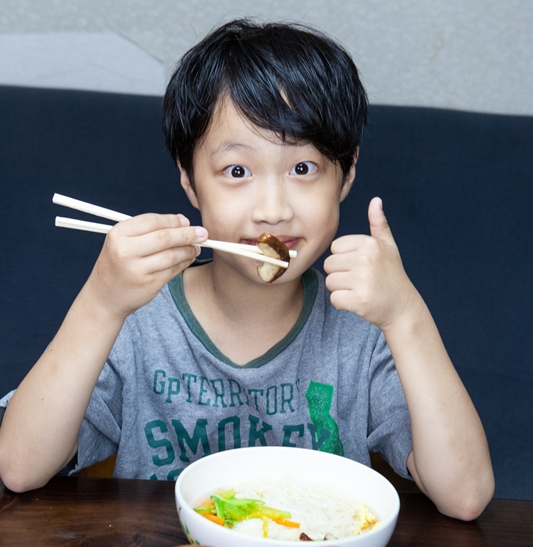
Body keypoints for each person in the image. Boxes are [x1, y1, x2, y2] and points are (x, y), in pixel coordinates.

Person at [0, 19, 494, 519]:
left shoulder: (365, 329)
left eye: (303, 168)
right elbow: (19, 466)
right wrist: (100, 303)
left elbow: (466, 494)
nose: (272, 211)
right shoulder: (137, 318)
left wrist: (406, 314)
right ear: (189, 180)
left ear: (346, 174)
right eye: (237, 171)